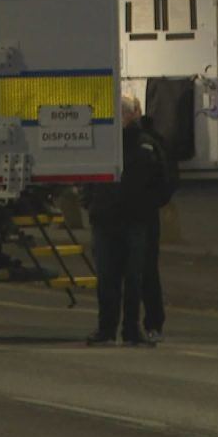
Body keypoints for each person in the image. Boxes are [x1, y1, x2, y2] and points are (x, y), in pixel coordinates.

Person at [83, 95, 164, 347]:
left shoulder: (146, 145)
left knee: (133, 278)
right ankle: (106, 328)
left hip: (134, 222)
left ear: (128, 116)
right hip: (106, 221)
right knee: (107, 278)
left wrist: (146, 207)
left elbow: (163, 181)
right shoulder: (103, 144)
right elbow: (87, 177)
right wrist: (91, 204)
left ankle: (131, 328)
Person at [134, 112, 178, 343]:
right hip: (115, 215)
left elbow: (167, 180)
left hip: (143, 217)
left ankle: (152, 323)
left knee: (146, 272)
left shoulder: (149, 145)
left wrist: (150, 204)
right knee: (120, 274)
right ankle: (124, 326)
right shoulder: (114, 143)